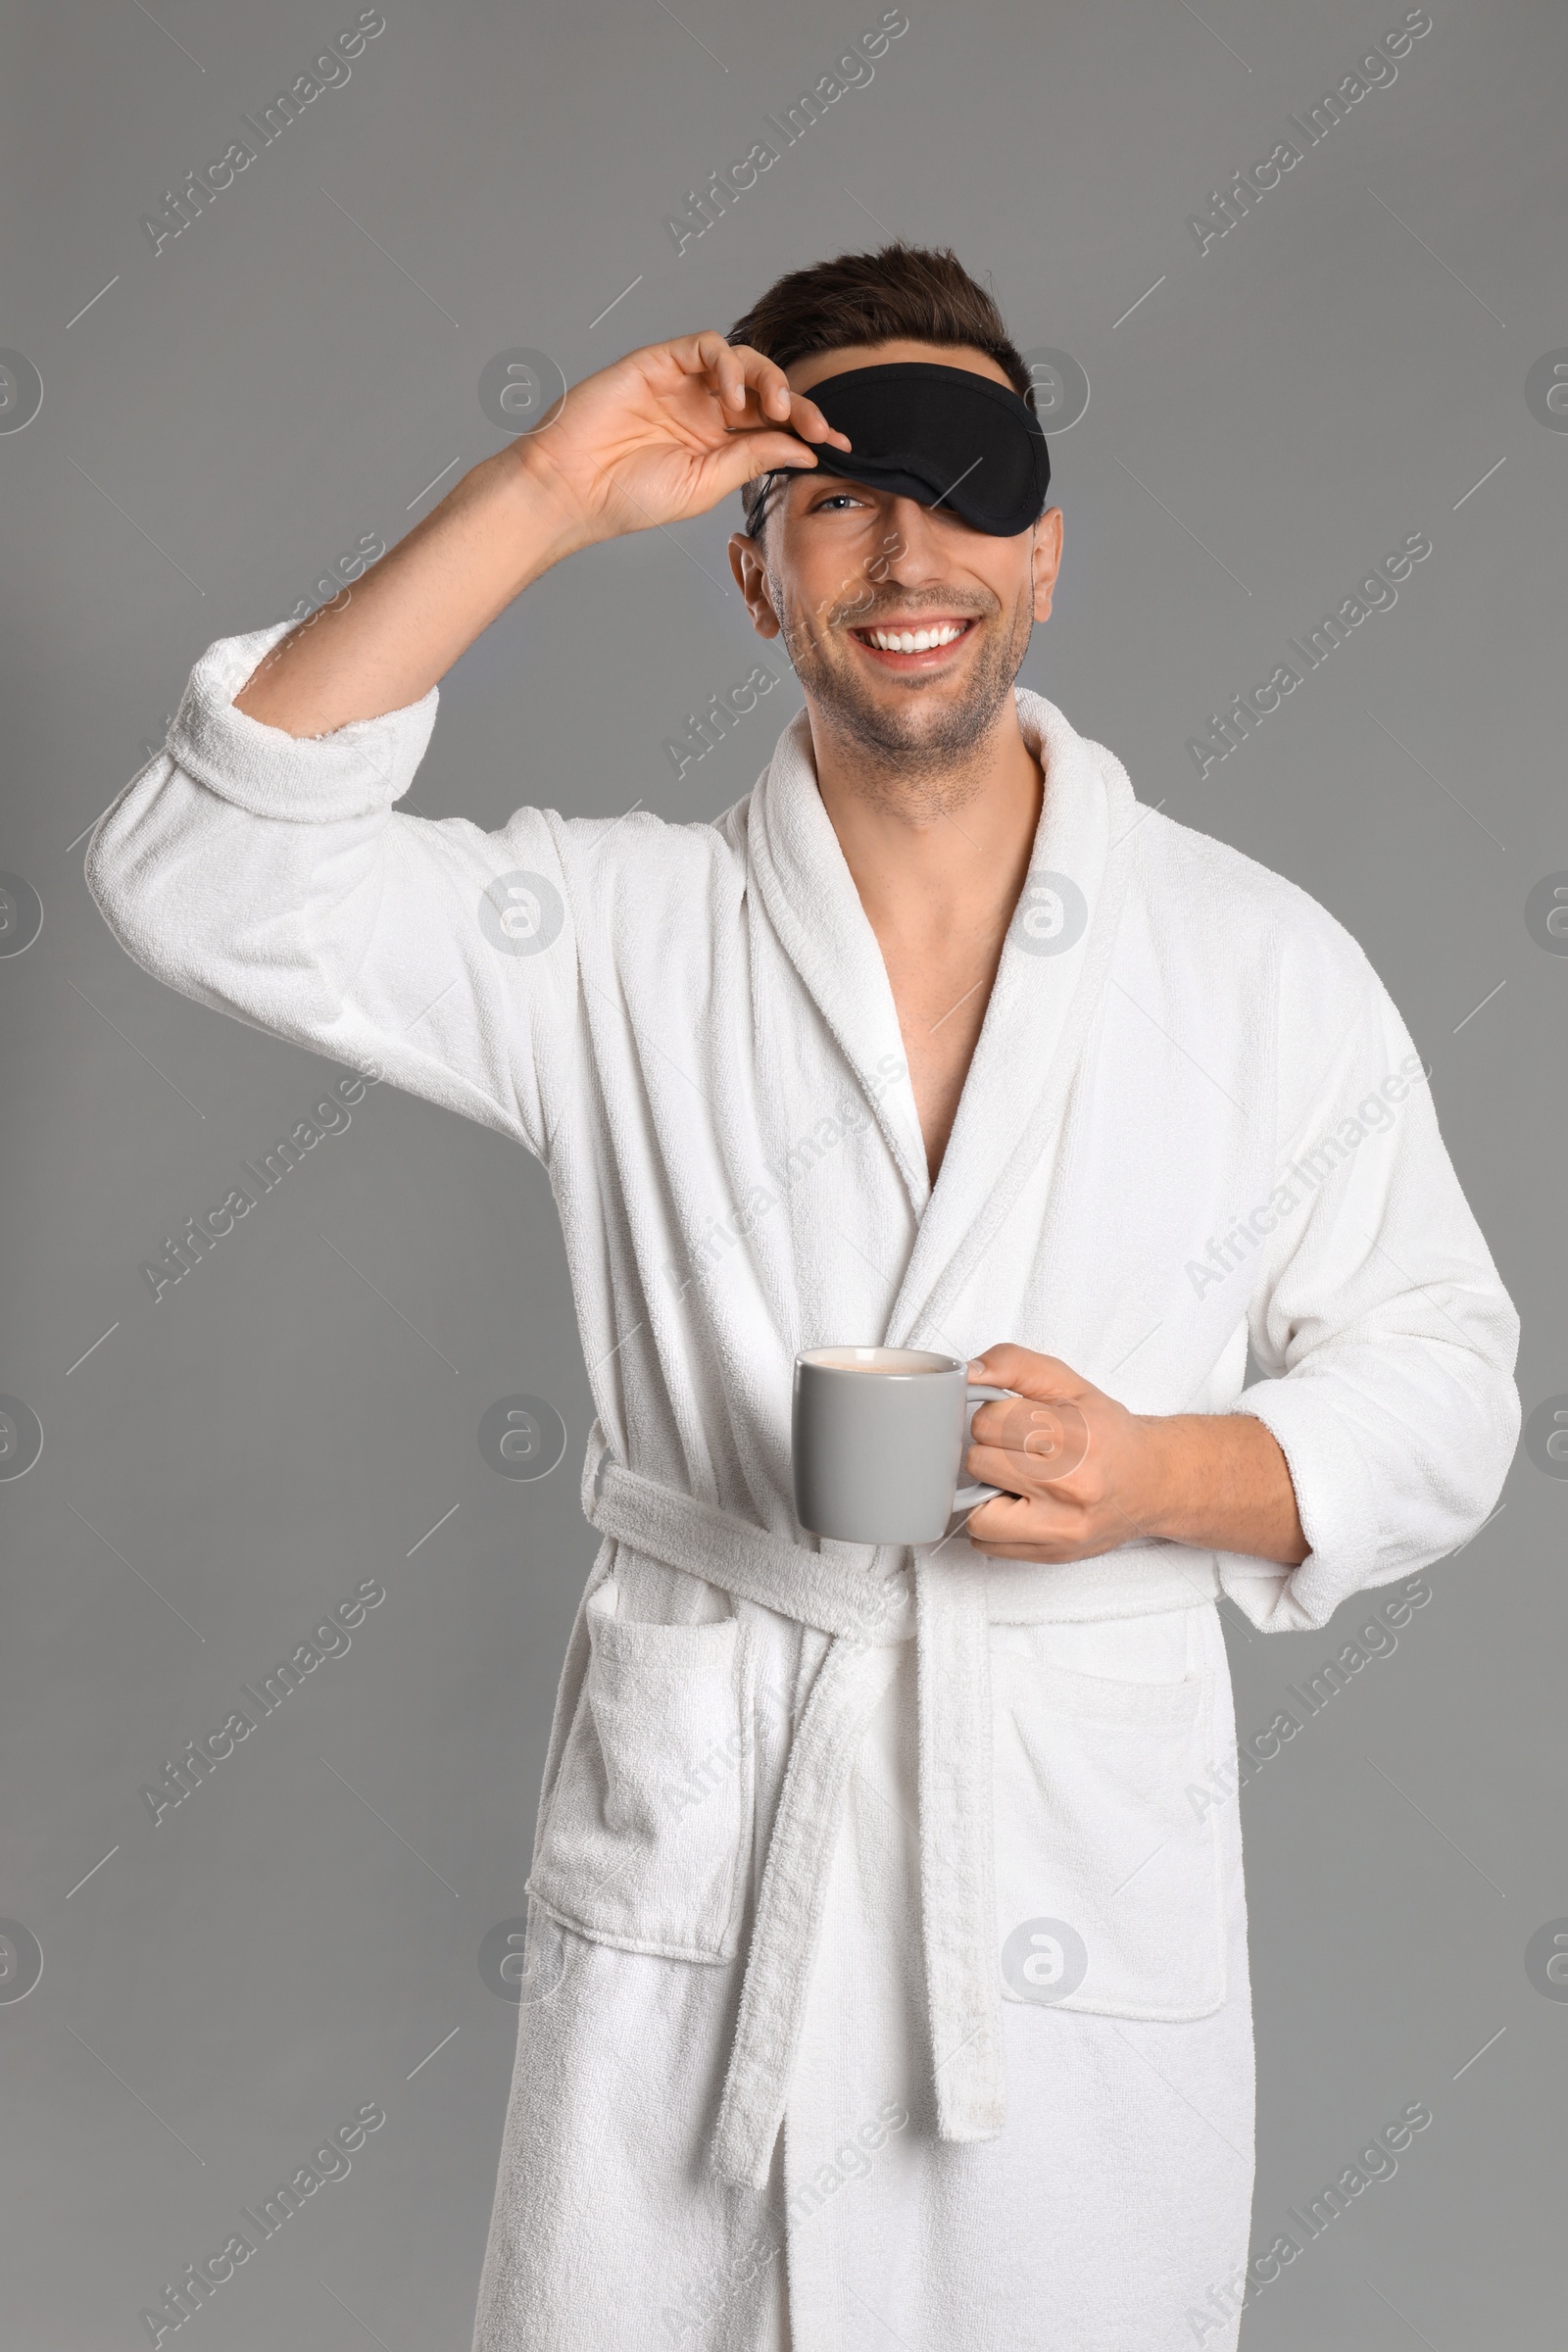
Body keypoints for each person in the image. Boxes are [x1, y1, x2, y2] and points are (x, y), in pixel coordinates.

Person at [86, 244, 1519, 2351]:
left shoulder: (1250, 961)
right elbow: (195, 876)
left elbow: (1449, 1389)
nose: (904, 549)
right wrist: (545, 493)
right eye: (834, 491)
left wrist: (1160, 1473)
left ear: (1044, 552)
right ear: (753, 572)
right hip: (706, 1891)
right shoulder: (612, 938)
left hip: (1054, 1924)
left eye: (962, 487)